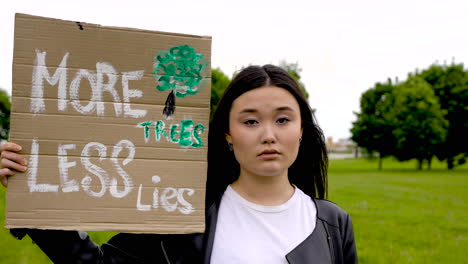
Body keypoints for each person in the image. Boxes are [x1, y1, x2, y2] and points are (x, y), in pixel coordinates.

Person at [0, 64, 357, 263]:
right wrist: (34, 191)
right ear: (228, 135)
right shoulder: (183, 208)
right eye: (250, 121)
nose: (268, 134)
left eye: (282, 120)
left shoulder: (333, 223)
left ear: (302, 130)